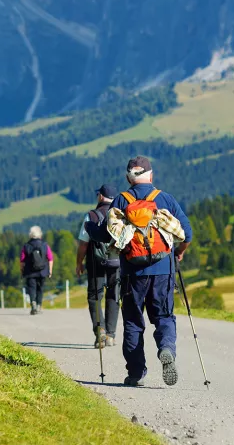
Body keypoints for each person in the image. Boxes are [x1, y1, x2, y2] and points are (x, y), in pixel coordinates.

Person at [109, 156, 192, 387]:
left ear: (128, 177)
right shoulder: (164, 199)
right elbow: (188, 233)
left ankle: (136, 373)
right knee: (164, 317)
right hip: (162, 270)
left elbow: (110, 236)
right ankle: (166, 348)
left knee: (133, 322)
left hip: (131, 274)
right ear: (151, 176)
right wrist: (179, 252)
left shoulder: (121, 200)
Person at [75, 184, 121, 348]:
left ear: (101, 196)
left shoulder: (92, 216)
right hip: (117, 262)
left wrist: (79, 262)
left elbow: (83, 244)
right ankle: (111, 335)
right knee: (114, 296)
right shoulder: (120, 215)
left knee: (95, 297)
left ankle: (99, 330)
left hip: (96, 262)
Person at [20, 226, 54, 315]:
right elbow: (50, 258)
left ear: (30, 235)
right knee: (40, 288)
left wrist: (22, 271)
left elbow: (22, 260)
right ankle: (39, 305)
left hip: (30, 272)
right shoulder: (45, 245)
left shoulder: (26, 246)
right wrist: (50, 270)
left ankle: (33, 304)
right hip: (42, 271)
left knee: (31, 288)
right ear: (40, 234)